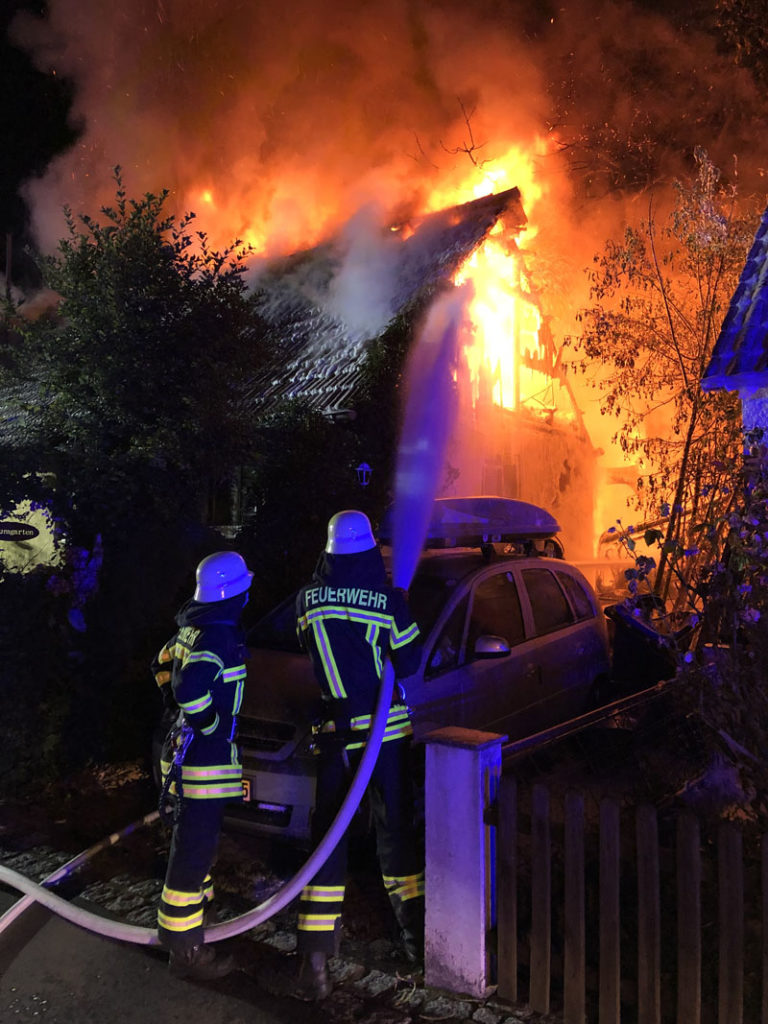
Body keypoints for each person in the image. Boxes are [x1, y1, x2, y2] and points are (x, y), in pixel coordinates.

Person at [293, 509, 424, 1001]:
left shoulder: (307, 599)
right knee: (395, 833)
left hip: (335, 737)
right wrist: (399, 610)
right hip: (384, 737)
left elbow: (310, 646)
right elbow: (408, 664)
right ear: (370, 550)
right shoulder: (387, 602)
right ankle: (416, 940)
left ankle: (314, 961)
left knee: (328, 841)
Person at [151, 550, 253, 980]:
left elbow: (160, 665)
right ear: (234, 594)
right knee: (193, 849)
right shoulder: (218, 636)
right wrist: (209, 724)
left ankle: (198, 917)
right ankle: (185, 949)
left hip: (181, 752)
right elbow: (191, 689)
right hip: (202, 761)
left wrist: (174, 712)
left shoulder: (190, 628)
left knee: (196, 843)